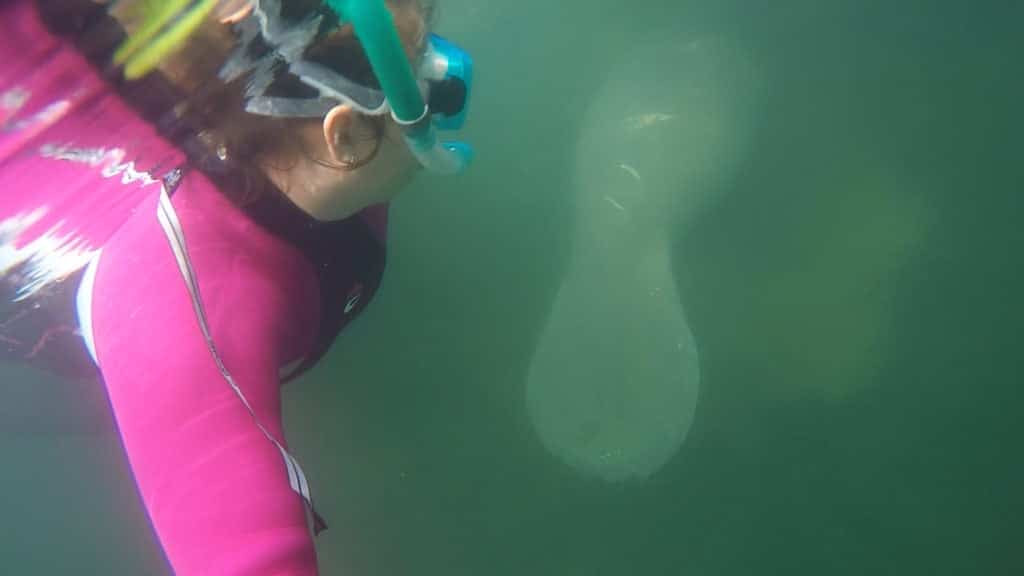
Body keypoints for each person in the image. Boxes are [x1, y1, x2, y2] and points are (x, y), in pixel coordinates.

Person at [0, 0, 472, 573]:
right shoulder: (181, 307)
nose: (450, 82)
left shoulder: (323, 154)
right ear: (343, 137)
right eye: (422, 75)